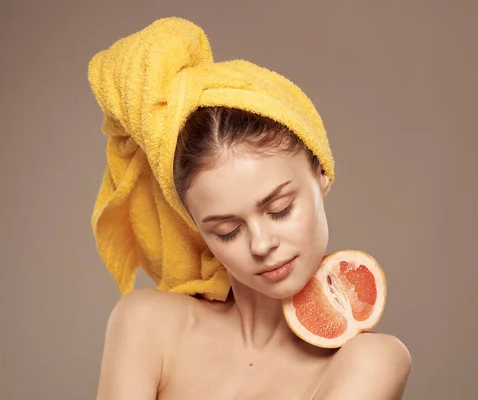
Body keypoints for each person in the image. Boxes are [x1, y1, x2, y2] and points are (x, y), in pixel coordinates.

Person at [88, 18, 411, 400]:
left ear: (322, 174)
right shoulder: (145, 324)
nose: (261, 244)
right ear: (196, 226)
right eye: (227, 230)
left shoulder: (370, 361)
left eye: (279, 209)